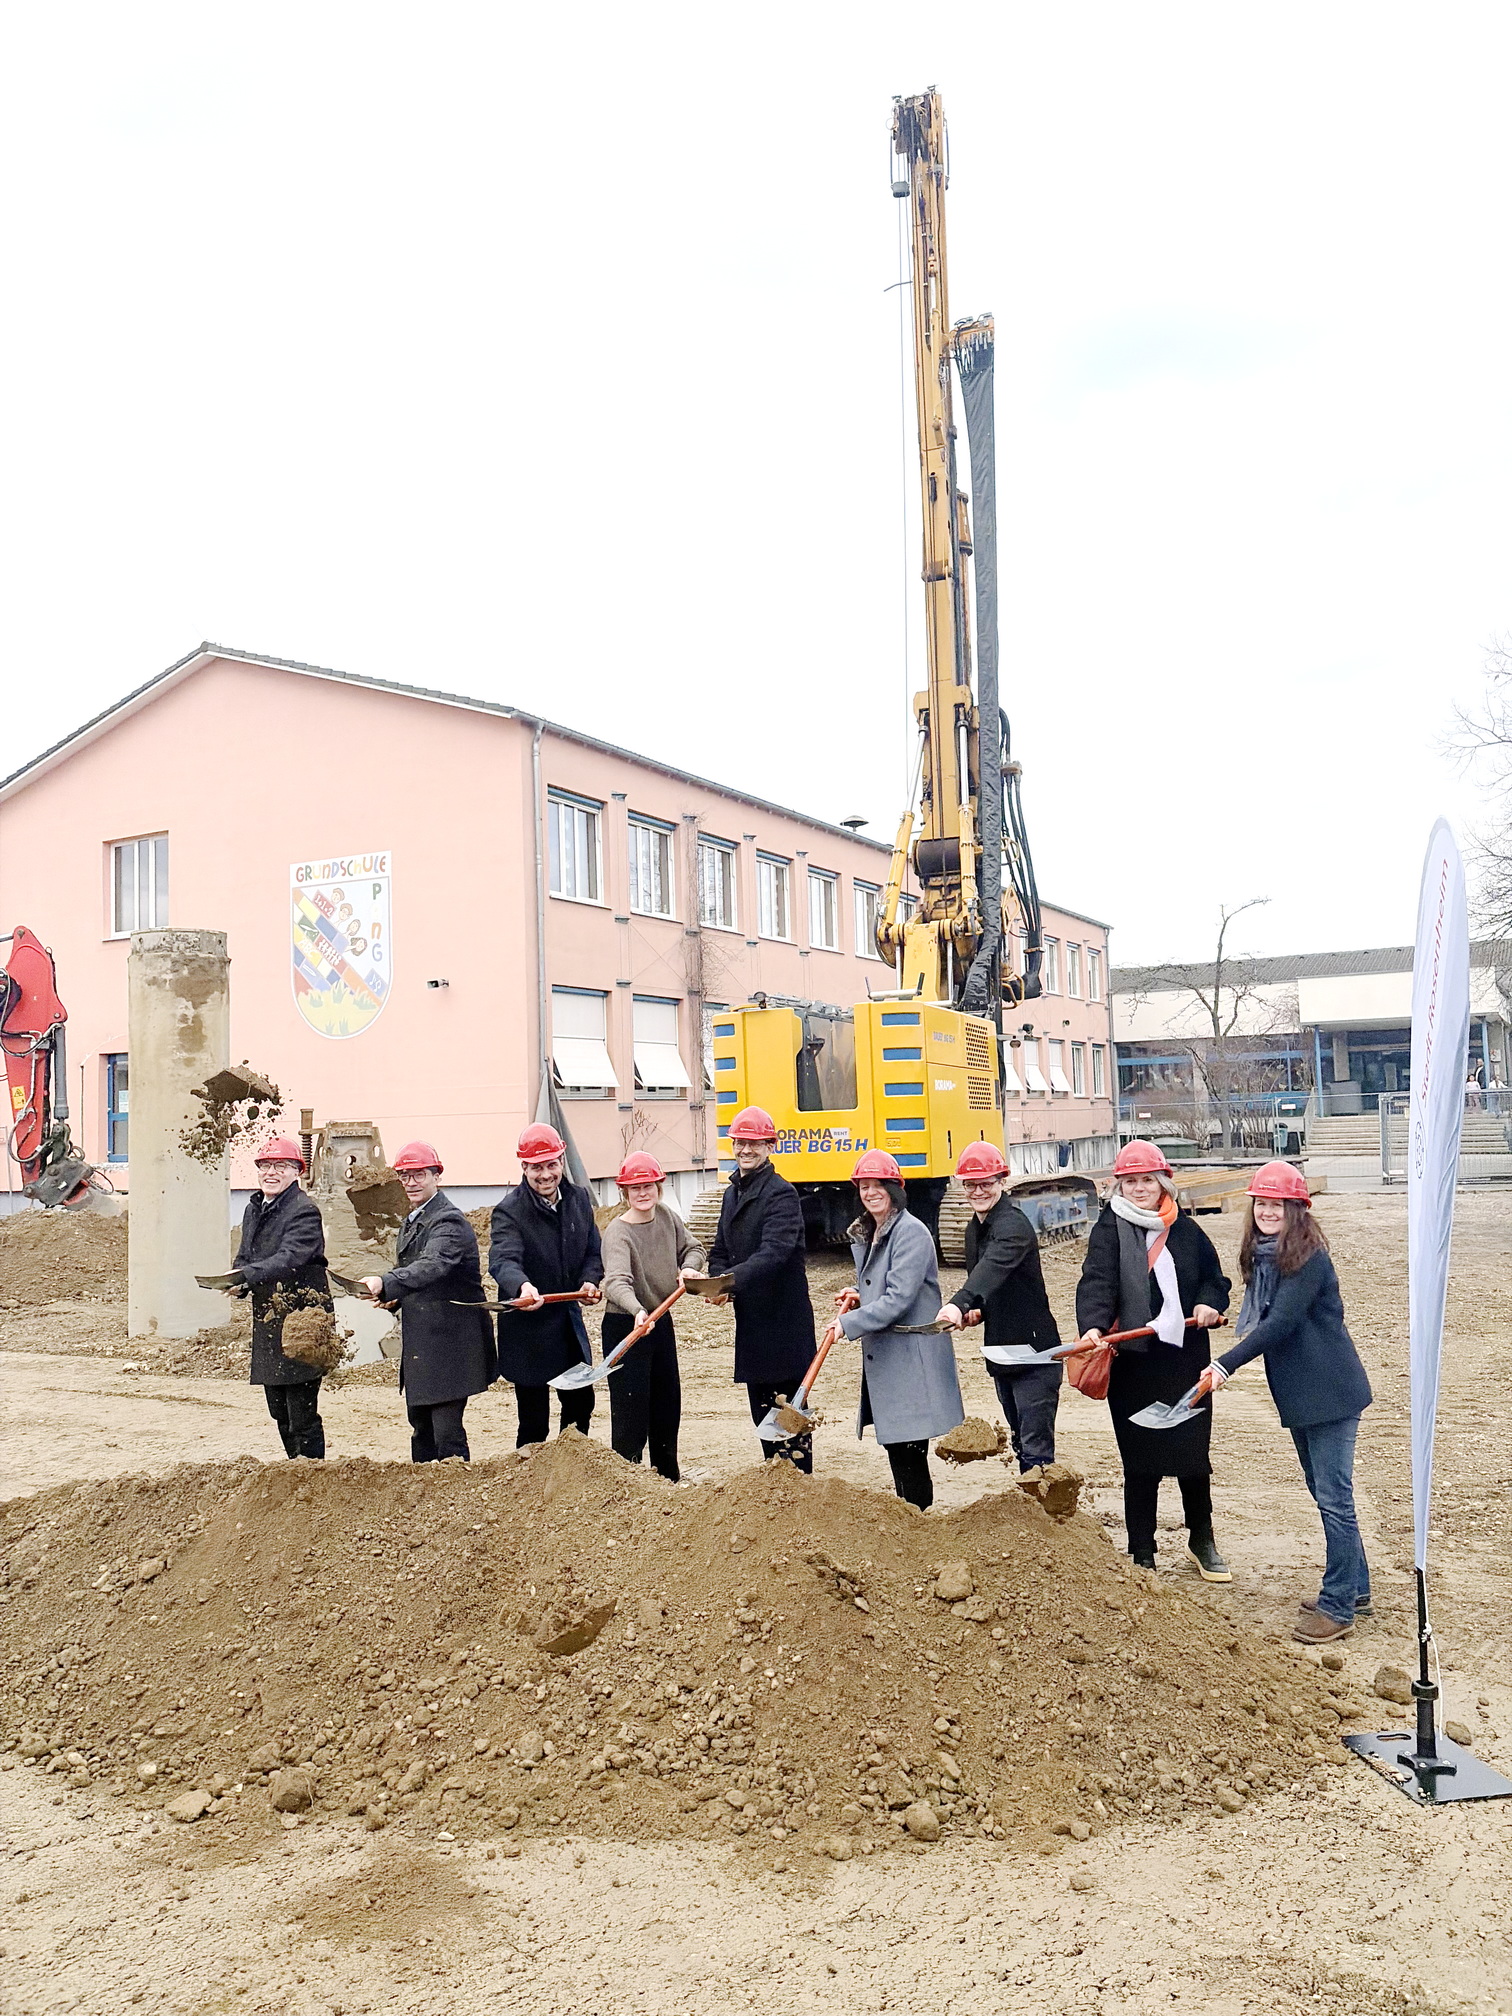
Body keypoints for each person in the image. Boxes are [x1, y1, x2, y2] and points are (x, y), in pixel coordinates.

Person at [1195, 1162, 1373, 1644]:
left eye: (1278, 1204)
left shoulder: (1309, 1258)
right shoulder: (1265, 1258)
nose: (1268, 1212)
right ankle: (1356, 1587)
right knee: (1324, 1492)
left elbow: (1280, 1323)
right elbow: (1267, 1316)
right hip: (1301, 1394)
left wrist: (1224, 1365)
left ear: (1297, 1210)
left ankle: (1338, 1606)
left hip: (1331, 1391)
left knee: (1334, 1498)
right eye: (1262, 1203)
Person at [1076, 1140, 1231, 1579]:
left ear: (1163, 1183)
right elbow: (1096, 1281)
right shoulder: (1109, 1230)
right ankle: (1141, 1549)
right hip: (1133, 1361)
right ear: (1118, 1186)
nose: (1140, 1188)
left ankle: (1201, 1540)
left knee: (1192, 1456)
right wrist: (1093, 1326)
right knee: (1140, 1459)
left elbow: (1215, 1280)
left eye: (1147, 1179)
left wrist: (1208, 1303)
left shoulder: (1186, 1230)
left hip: (1185, 1360)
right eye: (1130, 1181)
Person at [833, 1150, 963, 1509]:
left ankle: (918, 1519)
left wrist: (847, 1323)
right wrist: (860, 1294)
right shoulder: (876, 1230)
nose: (871, 1192)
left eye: (879, 1185)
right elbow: (885, 1285)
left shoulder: (910, 1232)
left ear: (895, 1189)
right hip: (892, 1355)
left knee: (909, 1450)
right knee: (898, 1448)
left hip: (910, 1358)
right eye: (864, 1186)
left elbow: (898, 1298)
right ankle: (911, 1519)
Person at [693, 1105, 816, 1471]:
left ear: (770, 1146)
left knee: (790, 1421)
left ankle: (800, 1488)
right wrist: (717, 1283)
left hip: (784, 1326)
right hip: (753, 1325)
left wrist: (728, 1282)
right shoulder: (732, 1194)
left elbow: (773, 1254)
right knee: (763, 1418)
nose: (746, 1149)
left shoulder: (781, 1194)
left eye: (755, 1143)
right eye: (740, 1142)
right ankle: (773, 1488)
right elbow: (720, 1250)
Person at [360, 1141, 496, 1463]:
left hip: (452, 1343)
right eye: (404, 1175)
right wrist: (394, 1297)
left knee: (447, 1434)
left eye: (419, 1174)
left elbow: (433, 1265)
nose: (411, 1182)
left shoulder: (449, 1221)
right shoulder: (413, 1220)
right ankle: (424, 1490)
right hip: (423, 1344)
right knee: (421, 1429)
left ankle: (457, 1491)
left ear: (437, 1175)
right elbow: (419, 1277)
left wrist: (386, 1283)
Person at [936, 1140, 1062, 1472]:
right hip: (1002, 1354)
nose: (978, 1191)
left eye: (986, 1183)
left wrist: (958, 1303)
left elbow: (992, 1268)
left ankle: (1044, 1505)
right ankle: (1029, 1500)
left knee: (1035, 1452)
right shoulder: (974, 1229)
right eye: (971, 1184)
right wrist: (978, 1312)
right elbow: (994, 1286)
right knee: (1020, 1443)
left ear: (1001, 1182)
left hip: (1035, 1355)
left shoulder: (1013, 1226)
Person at [488, 1123, 604, 1446]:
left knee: (581, 1407)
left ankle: (571, 1468)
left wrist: (589, 1280)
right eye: (536, 1167)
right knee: (534, 1423)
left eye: (551, 1165)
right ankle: (530, 1475)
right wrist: (522, 1287)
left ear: (562, 1161)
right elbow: (503, 1260)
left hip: (568, 1327)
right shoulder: (509, 1211)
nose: (545, 1175)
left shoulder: (578, 1199)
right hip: (528, 1333)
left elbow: (593, 1252)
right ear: (524, 1167)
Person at [599, 1150, 705, 1482]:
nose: (643, 1193)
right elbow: (616, 1281)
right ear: (624, 1192)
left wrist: (689, 1268)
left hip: (659, 1322)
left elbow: (694, 1248)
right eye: (635, 1188)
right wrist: (637, 1310)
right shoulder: (618, 1232)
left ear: (659, 1186)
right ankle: (629, 1485)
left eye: (648, 1186)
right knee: (630, 1414)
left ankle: (667, 1480)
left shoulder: (667, 1217)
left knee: (666, 1406)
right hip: (626, 1325)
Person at [230, 1136, 332, 1461]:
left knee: (301, 1414)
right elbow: (246, 1256)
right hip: (270, 1319)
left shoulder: (304, 1211)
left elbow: (290, 1257)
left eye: (281, 1166)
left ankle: (311, 1474)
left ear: (296, 1171)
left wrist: (248, 1275)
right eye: (265, 1166)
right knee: (279, 1411)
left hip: (302, 1323)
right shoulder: (254, 1208)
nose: (271, 1172)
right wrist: (238, 1280)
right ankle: (293, 1469)